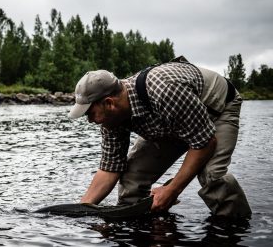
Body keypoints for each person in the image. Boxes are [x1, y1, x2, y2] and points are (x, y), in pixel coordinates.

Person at [68, 56, 252, 218]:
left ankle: (234, 228)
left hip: (217, 109)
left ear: (109, 103)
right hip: (171, 119)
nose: (90, 121)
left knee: (212, 177)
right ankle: (138, 230)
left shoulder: (164, 90)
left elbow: (205, 142)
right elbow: (110, 168)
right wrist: (81, 212)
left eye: (89, 114)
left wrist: (172, 190)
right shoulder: (111, 119)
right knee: (132, 175)